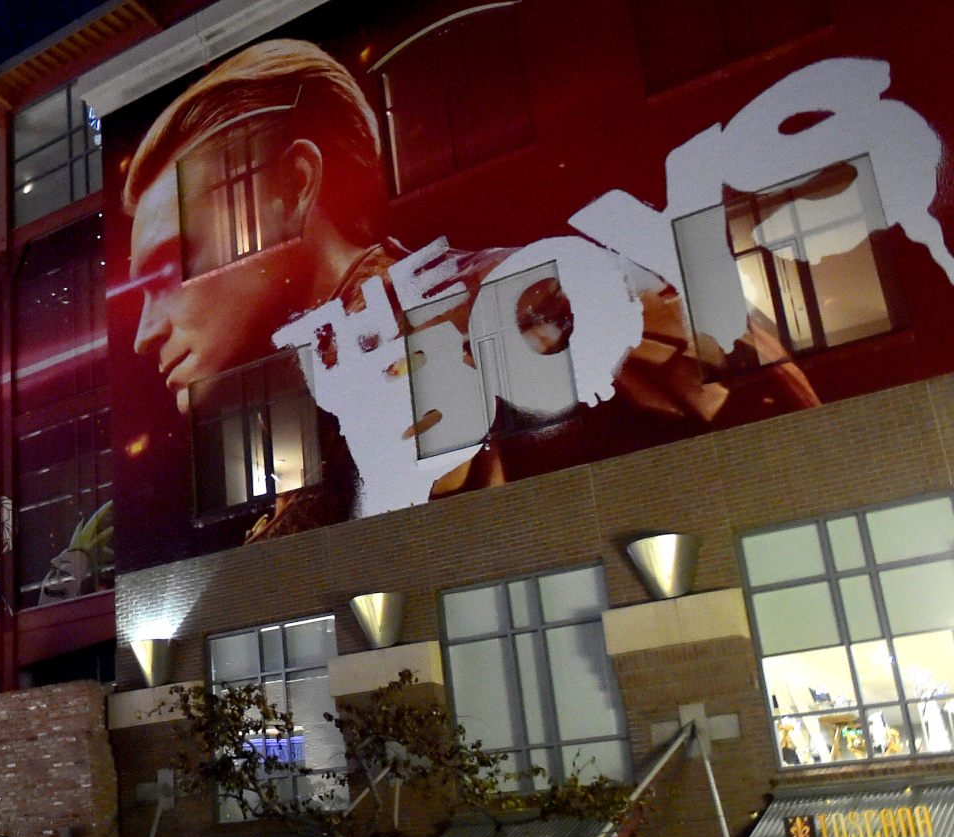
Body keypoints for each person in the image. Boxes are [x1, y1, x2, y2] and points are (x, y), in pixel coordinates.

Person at [119, 39, 821, 543]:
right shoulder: (347, 387)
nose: (145, 327)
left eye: (172, 268)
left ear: (294, 189)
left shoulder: (502, 305)